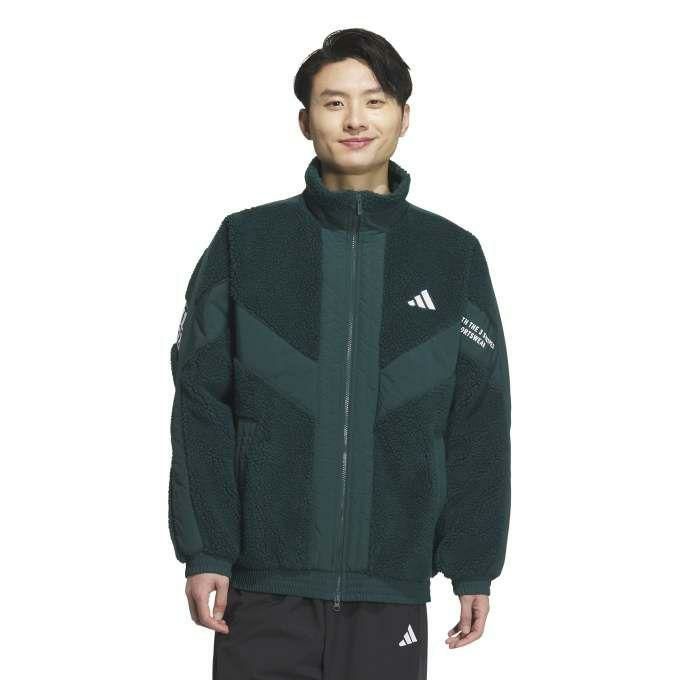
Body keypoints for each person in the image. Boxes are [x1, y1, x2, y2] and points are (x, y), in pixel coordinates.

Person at [168, 27, 511, 680]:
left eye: (375, 101)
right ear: (305, 120)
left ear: (404, 116)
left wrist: (473, 563)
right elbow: (200, 404)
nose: (355, 120)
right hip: (263, 585)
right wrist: (207, 549)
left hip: (391, 586)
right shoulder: (246, 242)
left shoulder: (452, 256)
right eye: (334, 102)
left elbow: (480, 417)